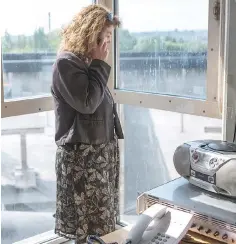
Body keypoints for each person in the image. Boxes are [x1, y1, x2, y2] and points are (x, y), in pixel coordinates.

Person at [51, 4, 124, 244]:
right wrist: (99, 64)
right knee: (84, 230)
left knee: (100, 227)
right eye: (104, 37)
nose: (107, 45)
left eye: (110, 38)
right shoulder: (67, 64)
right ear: (89, 35)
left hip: (99, 156)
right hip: (81, 160)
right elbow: (88, 104)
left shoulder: (87, 63)